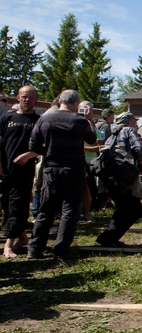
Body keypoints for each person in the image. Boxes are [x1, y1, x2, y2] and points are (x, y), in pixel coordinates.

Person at [23, 89, 97, 263]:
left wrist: (49, 152)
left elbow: (33, 145)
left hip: (52, 168)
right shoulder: (79, 121)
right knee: (69, 211)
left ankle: (35, 248)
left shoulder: (44, 118)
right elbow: (92, 140)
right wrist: (89, 119)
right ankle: (61, 250)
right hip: (73, 169)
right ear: (75, 103)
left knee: (46, 209)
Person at [96, 112, 142, 247]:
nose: (136, 125)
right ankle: (108, 237)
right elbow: (138, 148)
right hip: (125, 175)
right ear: (129, 122)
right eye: (135, 122)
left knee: (123, 207)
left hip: (111, 175)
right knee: (134, 209)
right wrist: (141, 159)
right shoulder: (128, 130)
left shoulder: (111, 134)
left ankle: (109, 237)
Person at [0, 85, 39, 258]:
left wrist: (29, 155)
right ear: (18, 98)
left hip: (24, 170)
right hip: (5, 169)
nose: (27, 99)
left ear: (36, 99)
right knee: (8, 204)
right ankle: (22, 238)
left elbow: (45, 146)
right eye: (24, 96)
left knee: (17, 204)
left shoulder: (39, 120)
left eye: (31, 97)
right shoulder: (7, 118)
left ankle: (8, 244)